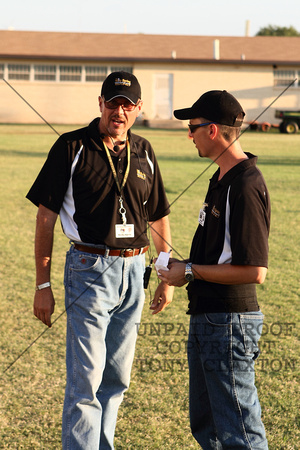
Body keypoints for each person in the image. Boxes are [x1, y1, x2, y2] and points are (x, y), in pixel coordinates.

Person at [26, 71, 174, 449]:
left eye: (127, 105)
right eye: (112, 103)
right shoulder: (71, 147)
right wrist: (42, 284)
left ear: (138, 108)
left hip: (135, 270)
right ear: (100, 103)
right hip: (88, 269)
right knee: (85, 380)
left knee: (117, 378)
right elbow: (46, 215)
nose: (119, 112)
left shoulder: (144, 150)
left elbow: (157, 216)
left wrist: (163, 272)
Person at [158, 90, 270, 449]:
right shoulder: (221, 178)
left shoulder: (246, 183)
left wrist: (189, 271)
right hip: (208, 316)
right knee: (207, 425)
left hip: (229, 321)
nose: (188, 135)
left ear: (212, 131)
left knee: (239, 429)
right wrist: (185, 268)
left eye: (192, 127)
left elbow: (255, 271)